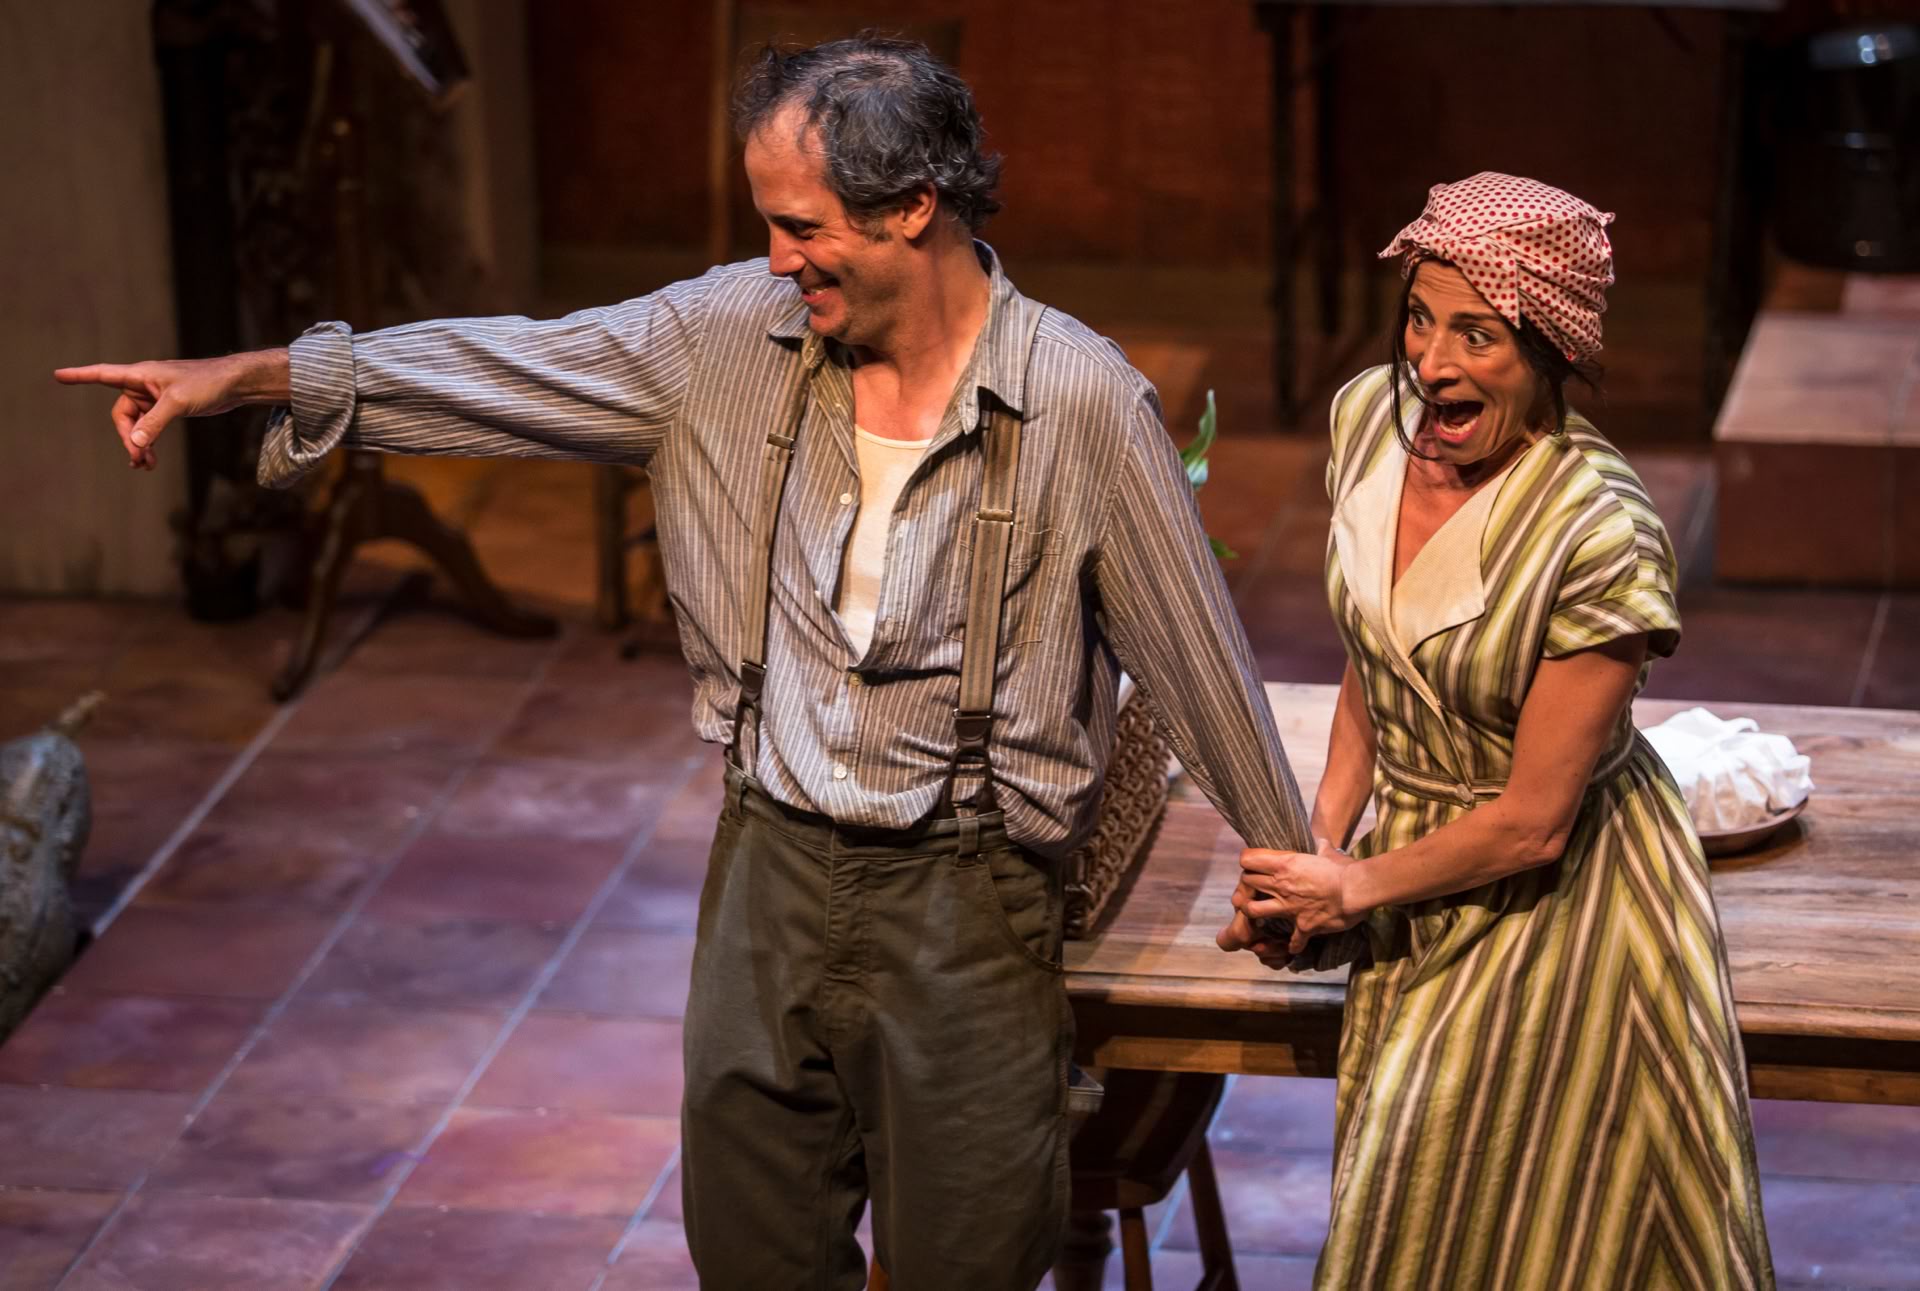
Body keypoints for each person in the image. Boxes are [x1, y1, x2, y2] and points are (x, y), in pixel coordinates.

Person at [58, 36, 1314, 1290]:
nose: (776, 259)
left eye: (802, 226)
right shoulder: (721, 343)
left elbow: (1191, 649)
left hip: (968, 905)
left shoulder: (1079, 403)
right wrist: (265, 378)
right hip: (770, 875)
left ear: (913, 207)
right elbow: (511, 366)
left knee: (969, 1261)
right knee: (751, 1252)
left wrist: (1287, 860)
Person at [1220, 173, 1774, 1289]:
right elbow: (1378, 654)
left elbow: (1532, 822)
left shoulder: (1600, 533)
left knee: (1531, 1224)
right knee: (1414, 1203)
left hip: (1563, 911)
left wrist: (1353, 888)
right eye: (1421, 320)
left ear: (1548, 354)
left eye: (1477, 335)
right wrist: (1319, 842)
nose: (1432, 363)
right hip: (1404, 876)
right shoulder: (1367, 425)